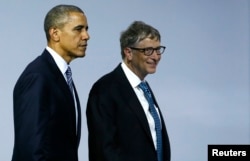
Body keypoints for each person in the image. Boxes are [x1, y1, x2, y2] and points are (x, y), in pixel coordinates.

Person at [12, 4, 90, 161]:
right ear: (55, 33)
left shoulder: (60, 75)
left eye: (86, 29)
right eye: (78, 29)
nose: (86, 36)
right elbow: (30, 147)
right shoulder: (38, 76)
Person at [86, 21, 171, 161]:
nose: (155, 56)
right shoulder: (105, 89)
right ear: (129, 52)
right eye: (148, 50)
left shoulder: (144, 89)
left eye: (158, 50)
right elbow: (103, 150)